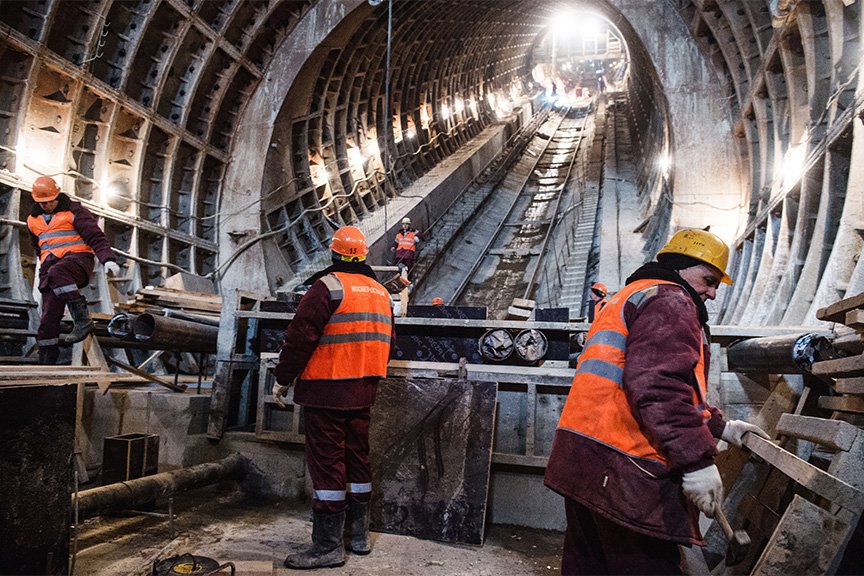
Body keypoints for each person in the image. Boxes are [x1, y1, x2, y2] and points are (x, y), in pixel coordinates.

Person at [544, 228, 770, 575]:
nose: (711, 293)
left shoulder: (628, 296)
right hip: (626, 469)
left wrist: (721, 427)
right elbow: (658, 385)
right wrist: (696, 462)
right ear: (681, 265)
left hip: (583, 458)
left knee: (589, 565)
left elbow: (649, 382)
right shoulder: (671, 300)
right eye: (709, 280)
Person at [273, 225, 394, 570]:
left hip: (327, 389)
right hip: (364, 391)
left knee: (328, 466)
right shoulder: (380, 293)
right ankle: (358, 537)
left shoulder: (327, 287)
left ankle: (327, 546)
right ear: (364, 255)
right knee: (358, 460)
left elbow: (300, 337)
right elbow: (389, 342)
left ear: (334, 253)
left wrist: (283, 379)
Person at [27, 176, 120, 364]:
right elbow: (39, 248)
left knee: (58, 273)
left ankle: (82, 320)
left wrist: (107, 259)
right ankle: (47, 359)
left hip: (78, 261)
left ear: (57, 195)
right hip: (51, 270)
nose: (46, 205)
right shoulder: (32, 221)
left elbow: (95, 237)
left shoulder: (74, 211)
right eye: (42, 203)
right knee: (48, 317)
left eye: (49, 201)